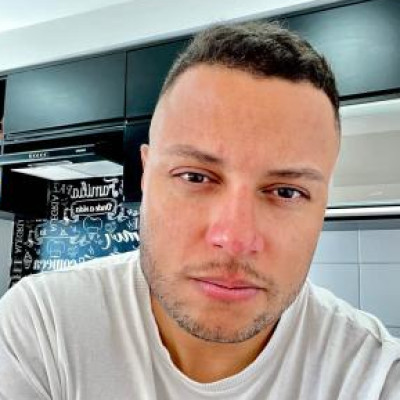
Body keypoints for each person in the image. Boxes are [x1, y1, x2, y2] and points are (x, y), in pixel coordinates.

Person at [0, 22, 399, 400]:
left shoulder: (373, 375)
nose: (235, 239)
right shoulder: (44, 327)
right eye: (194, 176)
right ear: (145, 174)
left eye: (286, 191)